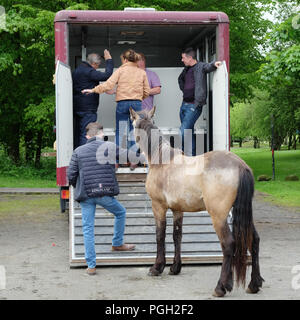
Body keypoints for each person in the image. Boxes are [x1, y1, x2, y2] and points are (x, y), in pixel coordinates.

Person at [67, 122, 137, 275]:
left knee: (88, 228)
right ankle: (117, 243)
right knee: (120, 212)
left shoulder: (78, 151)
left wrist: (77, 187)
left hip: (86, 194)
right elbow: (130, 155)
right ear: (101, 134)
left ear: (87, 136)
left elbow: (70, 175)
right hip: (104, 192)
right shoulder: (109, 146)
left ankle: (91, 266)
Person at [82, 49, 150, 170]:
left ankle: (118, 161)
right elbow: (147, 92)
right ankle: (134, 161)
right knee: (135, 132)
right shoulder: (142, 73)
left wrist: (92, 90)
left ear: (124, 59)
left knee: (120, 132)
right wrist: (138, 97)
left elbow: (108, 85)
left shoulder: (120, 71)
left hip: (122, 103)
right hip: (137, 104)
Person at [178, 47, 222, 156]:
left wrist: (214, 64)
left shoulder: (200, 66)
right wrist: (185, 90)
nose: (182, 60)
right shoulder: (186, 69)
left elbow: (209, 66)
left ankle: (184, 155)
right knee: (189, 133)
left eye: (183, 58)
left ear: (190, 58)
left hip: (194, 106)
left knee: (182, 132)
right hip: (184, 105)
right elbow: (180, 79)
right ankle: (191, 157)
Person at [72, 50, 114, 148]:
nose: (97, 68)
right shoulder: (89, 71)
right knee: (87, 133)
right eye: (98, 65)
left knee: (78, 133)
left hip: (78, 107)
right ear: (94, 63)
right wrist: (109, 60)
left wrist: (102, 89)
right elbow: (106, 75)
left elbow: (87, 84)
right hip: (88, 109)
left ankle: (78, 154)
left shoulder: (78, 70)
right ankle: (84, 157)